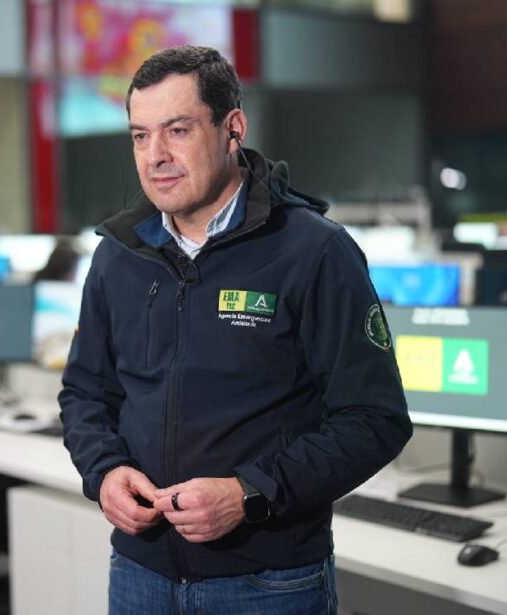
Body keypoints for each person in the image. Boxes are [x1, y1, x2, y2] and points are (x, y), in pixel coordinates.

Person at [59, 46, 412, 614]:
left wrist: (250, 492)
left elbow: (375, 420)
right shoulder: (118, 255)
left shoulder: (314, 251)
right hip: (139, 573)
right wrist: (104, 472)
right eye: (140, 136)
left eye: (177, 130)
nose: (156, 156)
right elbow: (85, 392)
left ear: (233, 129)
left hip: (267, 583)